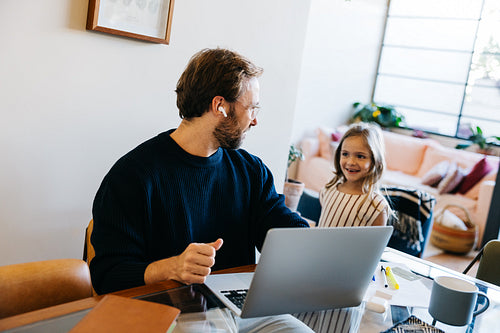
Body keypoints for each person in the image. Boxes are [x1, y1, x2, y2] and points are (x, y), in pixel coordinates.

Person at [90, 48, 313, 332]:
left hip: (242, 308)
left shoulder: (251, 170)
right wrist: (172, 267)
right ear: (220, 105)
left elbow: (277, 224)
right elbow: (107, 275)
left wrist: (312, 245)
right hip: (174, 312)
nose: (254, 120)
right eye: (251, 108)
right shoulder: (133, 175)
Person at [317, 122, 390, 228]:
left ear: (375, 161)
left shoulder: (377, 206)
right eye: (345, 154)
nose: (351, 162)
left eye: (360, 156)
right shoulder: (328, 190)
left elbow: (375, 244)